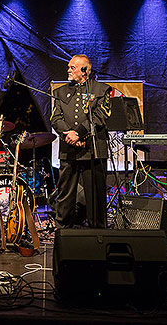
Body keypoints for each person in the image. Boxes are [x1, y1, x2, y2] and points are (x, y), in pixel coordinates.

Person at [51, 54, 111, 230]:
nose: (68, 70)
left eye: (73, 67)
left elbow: (101, 116)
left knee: (95, 195)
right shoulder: (60, 92)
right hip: (68, 150)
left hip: (93, 149)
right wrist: (69, 135)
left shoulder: (101, 90)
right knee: (65, 194)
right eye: (69, 67)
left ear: (84, 70)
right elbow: (55, 118)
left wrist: (79, 133)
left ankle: (97, 233)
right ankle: (63, 230)